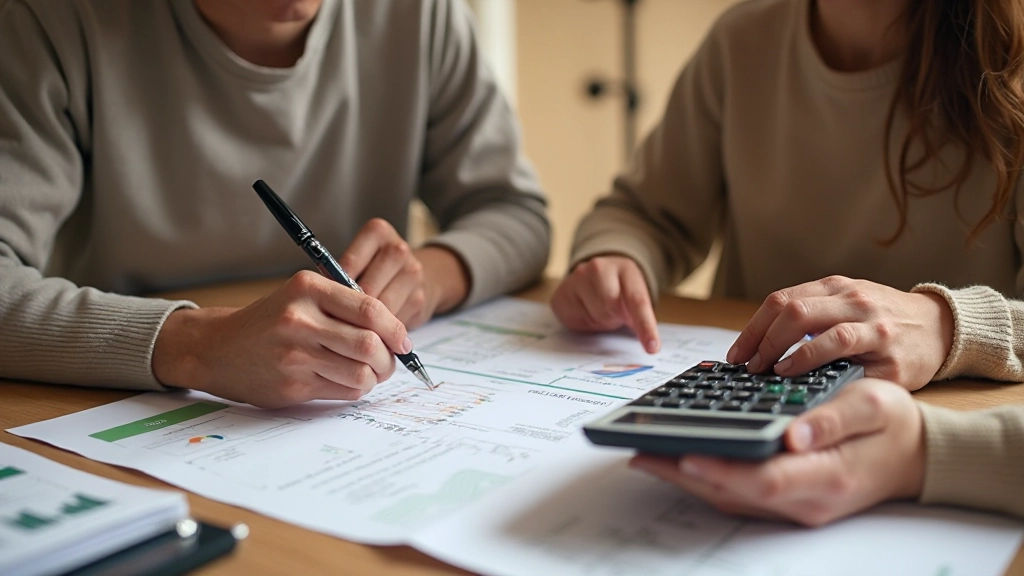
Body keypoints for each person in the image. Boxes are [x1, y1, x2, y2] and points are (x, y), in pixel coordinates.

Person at [551, 0, 1024, 521]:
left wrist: (949, 325)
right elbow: (643, 212)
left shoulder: (1013, 58)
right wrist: (617, 254)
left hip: (933, 439)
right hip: (745, 413)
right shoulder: (742, 39)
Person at [0, 0, 550, 409]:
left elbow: (513, 212)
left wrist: (426, 278)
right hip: (108, 408)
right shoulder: (48, 22)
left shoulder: (421, 14)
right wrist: (195, 347)